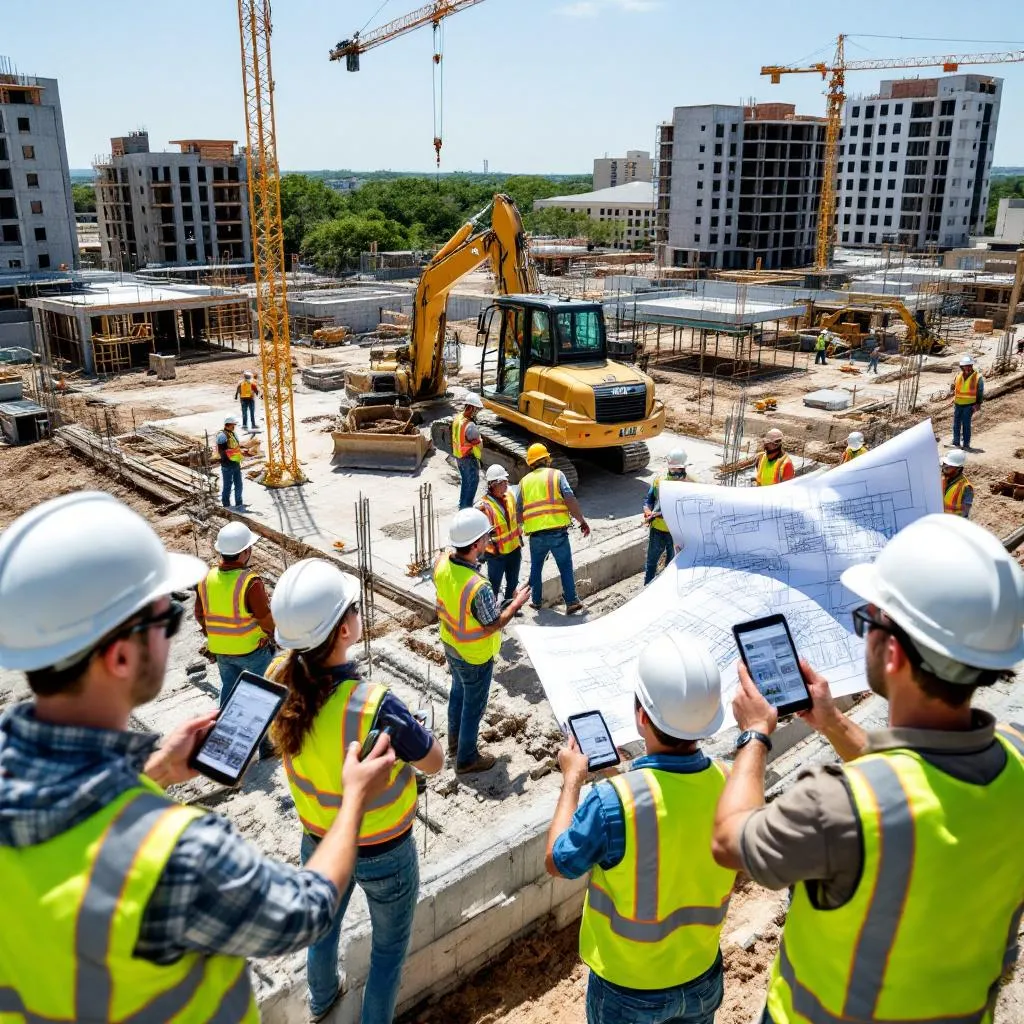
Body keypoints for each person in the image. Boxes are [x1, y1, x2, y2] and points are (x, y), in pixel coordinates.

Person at [0, 492, 398, 1023]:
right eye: (168, 620)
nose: (177, 631)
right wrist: (353, 799)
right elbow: (307, 911)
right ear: (120, 656)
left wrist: (156, 770)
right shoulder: (175, 854)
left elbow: (68, 831)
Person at [710, 513, 1024, 1024]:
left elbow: (729, 840)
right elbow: (916, 782)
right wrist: (832, 722)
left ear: (893, 651)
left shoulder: (837, 803)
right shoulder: (1015, 756)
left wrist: (755, 735)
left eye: (868, 622)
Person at [267, 559, 444, 1023]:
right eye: (352, 609)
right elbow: (435, 761)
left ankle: (323, 1003)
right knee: (387, 954)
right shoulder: (374, 703)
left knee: (323, 934)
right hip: (384, 848)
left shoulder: (281, 688)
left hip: (319, 840)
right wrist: (413, 734)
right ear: (342, 630)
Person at [546, 631, 737, 1024]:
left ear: (642, 715)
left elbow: (558, 860)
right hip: (700, 975)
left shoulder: (611, 801)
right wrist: (629, 771)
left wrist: (572, 781)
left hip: (629, 989)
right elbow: (676, 798)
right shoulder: (730, 781)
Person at [434, 508, 530, 774]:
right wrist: (516, 603)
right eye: (486, 537)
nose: (489, 541)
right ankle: (466, 759)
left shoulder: (441, 562)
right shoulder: (478, 587)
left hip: (450, 643)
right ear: (476, 544)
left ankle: (454, 745)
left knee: (458, 693)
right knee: (473, 707)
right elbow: (493, 624)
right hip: (474, 655)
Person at [195, 522, 276, 708]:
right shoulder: (250, 582)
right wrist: (273, 636)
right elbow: (265, 619)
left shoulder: (206, 578)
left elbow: (200, 614)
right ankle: (266, 736)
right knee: (264, 696)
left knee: (230, 692)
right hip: (252, 652)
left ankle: (224, 730)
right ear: (245, 552)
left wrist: (216, 636)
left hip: (221, 650)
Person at [518, 443, 591, 614]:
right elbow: (569, 498)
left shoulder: (524, 482)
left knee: (536, 568)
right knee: (565, 566)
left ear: (531, 463)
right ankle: (572, 601)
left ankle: (536, 602)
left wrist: (518, 531)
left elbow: (518, 510)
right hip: (557, 532)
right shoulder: (557, 475)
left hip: (535, 535)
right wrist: (581, 520)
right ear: (546, 459)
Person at [477, 463, 523, 607]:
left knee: (513, 581)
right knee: (494, 584)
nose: (506, 484)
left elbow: (517, 516)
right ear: (493, 485)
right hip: (496, 554)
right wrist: (481, 554)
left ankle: (509, 605)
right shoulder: (483, 506)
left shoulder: (509, 495)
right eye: (502, 482)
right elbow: (480, 533)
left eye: (506, 481)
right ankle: (491, 610)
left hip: (514, 548)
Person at [643, 447, 689, 586]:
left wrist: (662, 514)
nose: (675, 472)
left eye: (678, 469)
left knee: (672, 564)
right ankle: (648, 587)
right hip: (657, 530)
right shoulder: (659, 480)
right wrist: (647, 510)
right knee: (651, 563)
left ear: (683, 467)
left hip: (675, 533)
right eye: (673, 469)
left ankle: (667, 588)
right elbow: (649, 499)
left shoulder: (687, 485)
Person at [452, 392, 484, 510]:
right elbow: (478, 443)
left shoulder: (458, 418)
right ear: (471, 407)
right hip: (468, 459)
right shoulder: (469, 425)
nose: (477, 412)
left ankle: (462, 507)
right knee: (471, 486)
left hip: (459, 457)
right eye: (476, 409)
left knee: (465, 484)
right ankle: (466, 511)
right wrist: (480, 441)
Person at [951, 353, 984, 450]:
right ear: (962, 367)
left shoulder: (978, 377)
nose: (967, 368)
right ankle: (956, 442)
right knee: (956, 424)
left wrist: (978, 404)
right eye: (965, 366)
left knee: (966, 425)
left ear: (972, 366)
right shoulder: (958, 376)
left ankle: (966, 445)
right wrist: (953, 396)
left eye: (969, 366)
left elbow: (980, 391)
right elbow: (955, 388)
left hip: (969, 405)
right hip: (958, 404)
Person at [217, 414, 245, 509]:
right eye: (233, 425)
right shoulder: (222, 436)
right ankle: (226, 505)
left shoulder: (233, 434)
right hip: (227, 466)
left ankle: (239, 503)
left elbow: (235, 447)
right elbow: (222, 452)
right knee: (227, 486)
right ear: (228, 424)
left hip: (236, 463)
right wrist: (232, 457)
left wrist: (239, 456)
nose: (234, 426)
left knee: (239, 484)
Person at [941, 448, 974, 519]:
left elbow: (965, 513)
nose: (943, 468)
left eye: (948, 467)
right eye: (944, 464)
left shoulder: (966, 487)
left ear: (958, 469)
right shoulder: (944, 478)